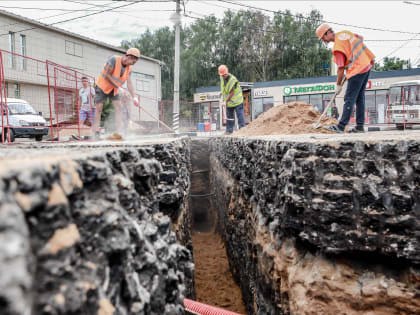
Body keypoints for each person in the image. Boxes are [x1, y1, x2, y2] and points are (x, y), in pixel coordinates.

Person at [316, 24, 375, 133]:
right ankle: (360, 127)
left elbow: (340, 68)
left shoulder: (337, 47)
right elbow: (360, 38)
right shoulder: (345, 33)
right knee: (359, 98)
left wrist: (338, 85)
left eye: (323, 38)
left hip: (357, 69)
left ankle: (341, 126)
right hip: (366, 64)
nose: (324, 41)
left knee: (349, 98)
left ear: (327, 33)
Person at [93, 48, 140, 138]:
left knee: (119, 108)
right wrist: (119, 88)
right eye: (132, 61)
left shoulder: (129, 68)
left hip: (113, 89)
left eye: (134, 63)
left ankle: (119, 132)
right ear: (128, 56)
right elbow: (107, 75)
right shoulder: (114, 59)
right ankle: (96, 132)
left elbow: (129, 83)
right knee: (99, 109)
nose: (132, 64)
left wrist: (134, 97)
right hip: (102, 86)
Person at [218, 65, 246, 134]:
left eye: (224, 75)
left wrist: (225, 101)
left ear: (227, 72)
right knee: (229, 116)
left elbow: (231, 92)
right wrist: (222, 92)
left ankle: (243, 130)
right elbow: (225, 87)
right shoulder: (222, 78)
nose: (223, 76)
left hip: (237, 101)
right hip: (230, 102)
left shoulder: (233, 80)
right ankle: (229, 131)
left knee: (240, 116)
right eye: (222, 75)